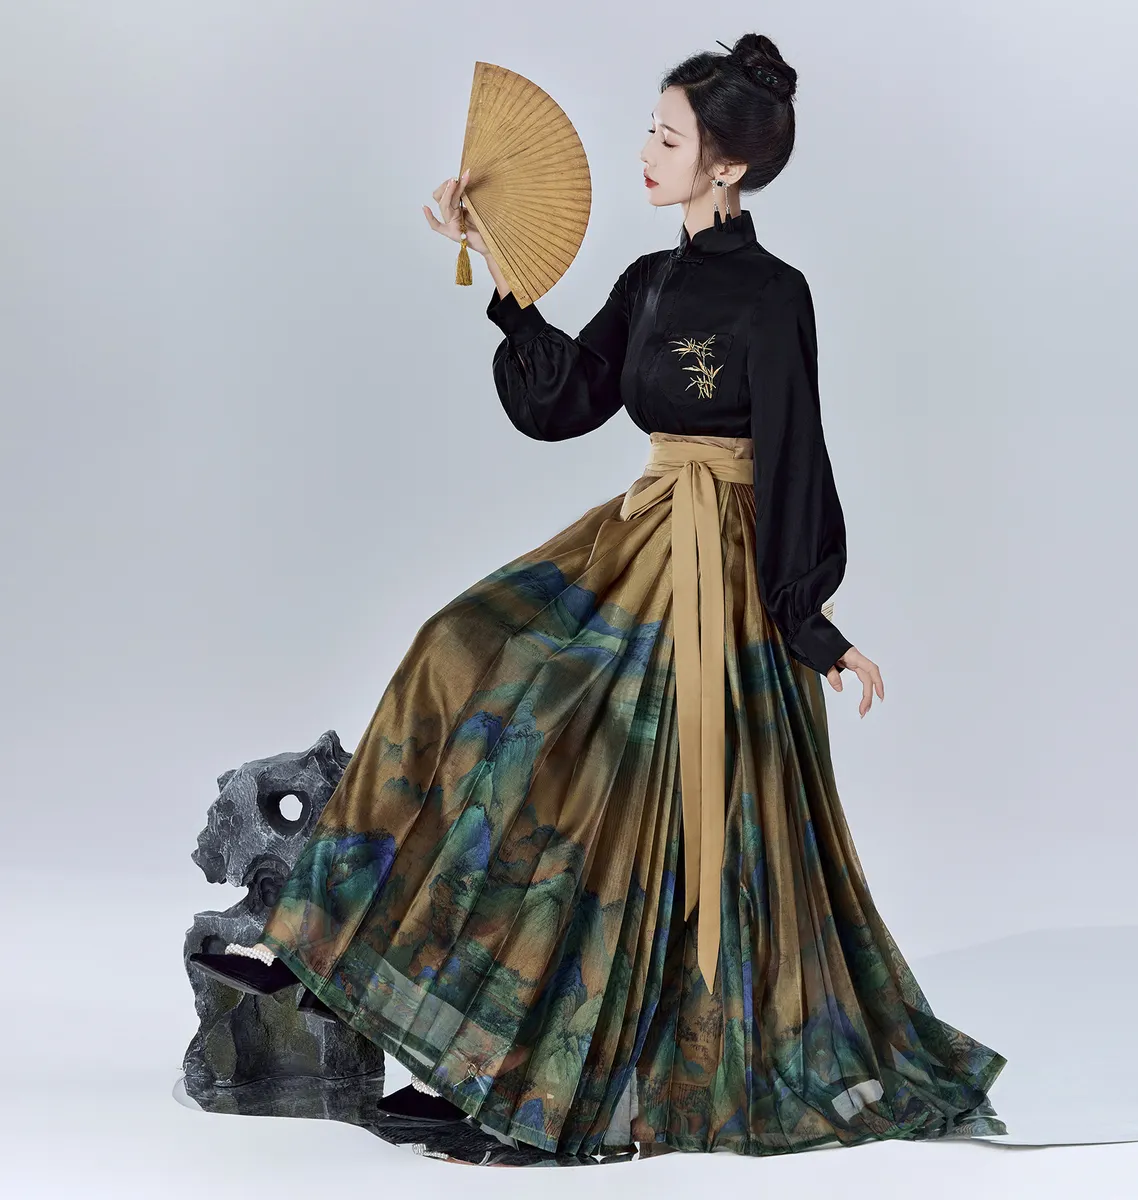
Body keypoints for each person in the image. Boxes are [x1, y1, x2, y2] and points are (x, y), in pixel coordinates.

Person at [191, 32, 1007, 1163]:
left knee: (598, 790)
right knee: (458, 645)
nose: (647, 153)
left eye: (668, 138)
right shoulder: (649, 281)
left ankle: (547, 1086)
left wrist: (810, 622)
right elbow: (568, 399)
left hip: (722, 573)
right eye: (651, 132)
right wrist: (502, 274)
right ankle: (344, 955)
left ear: (727, 165)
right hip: (637, 537)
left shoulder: (776, 296)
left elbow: (795, 456)